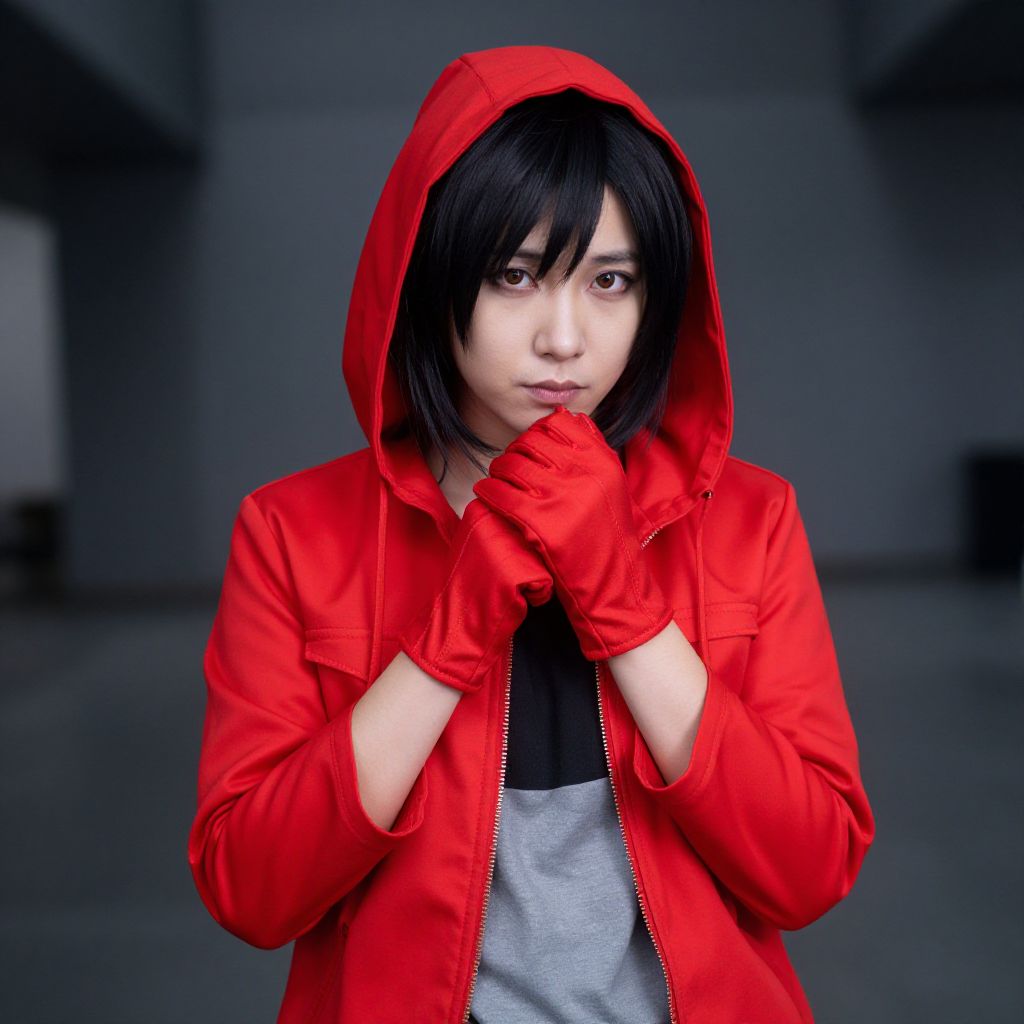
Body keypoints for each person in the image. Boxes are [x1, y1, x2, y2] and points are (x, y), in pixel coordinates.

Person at [187, 45, 876, 1024]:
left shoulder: (751, 520)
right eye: (515, 275)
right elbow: (251, 890)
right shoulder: (293, 532)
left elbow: (810, 871)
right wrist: (445, 642)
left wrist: (629, 615)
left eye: (610, 280)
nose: (563, 338)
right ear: (430, 279)